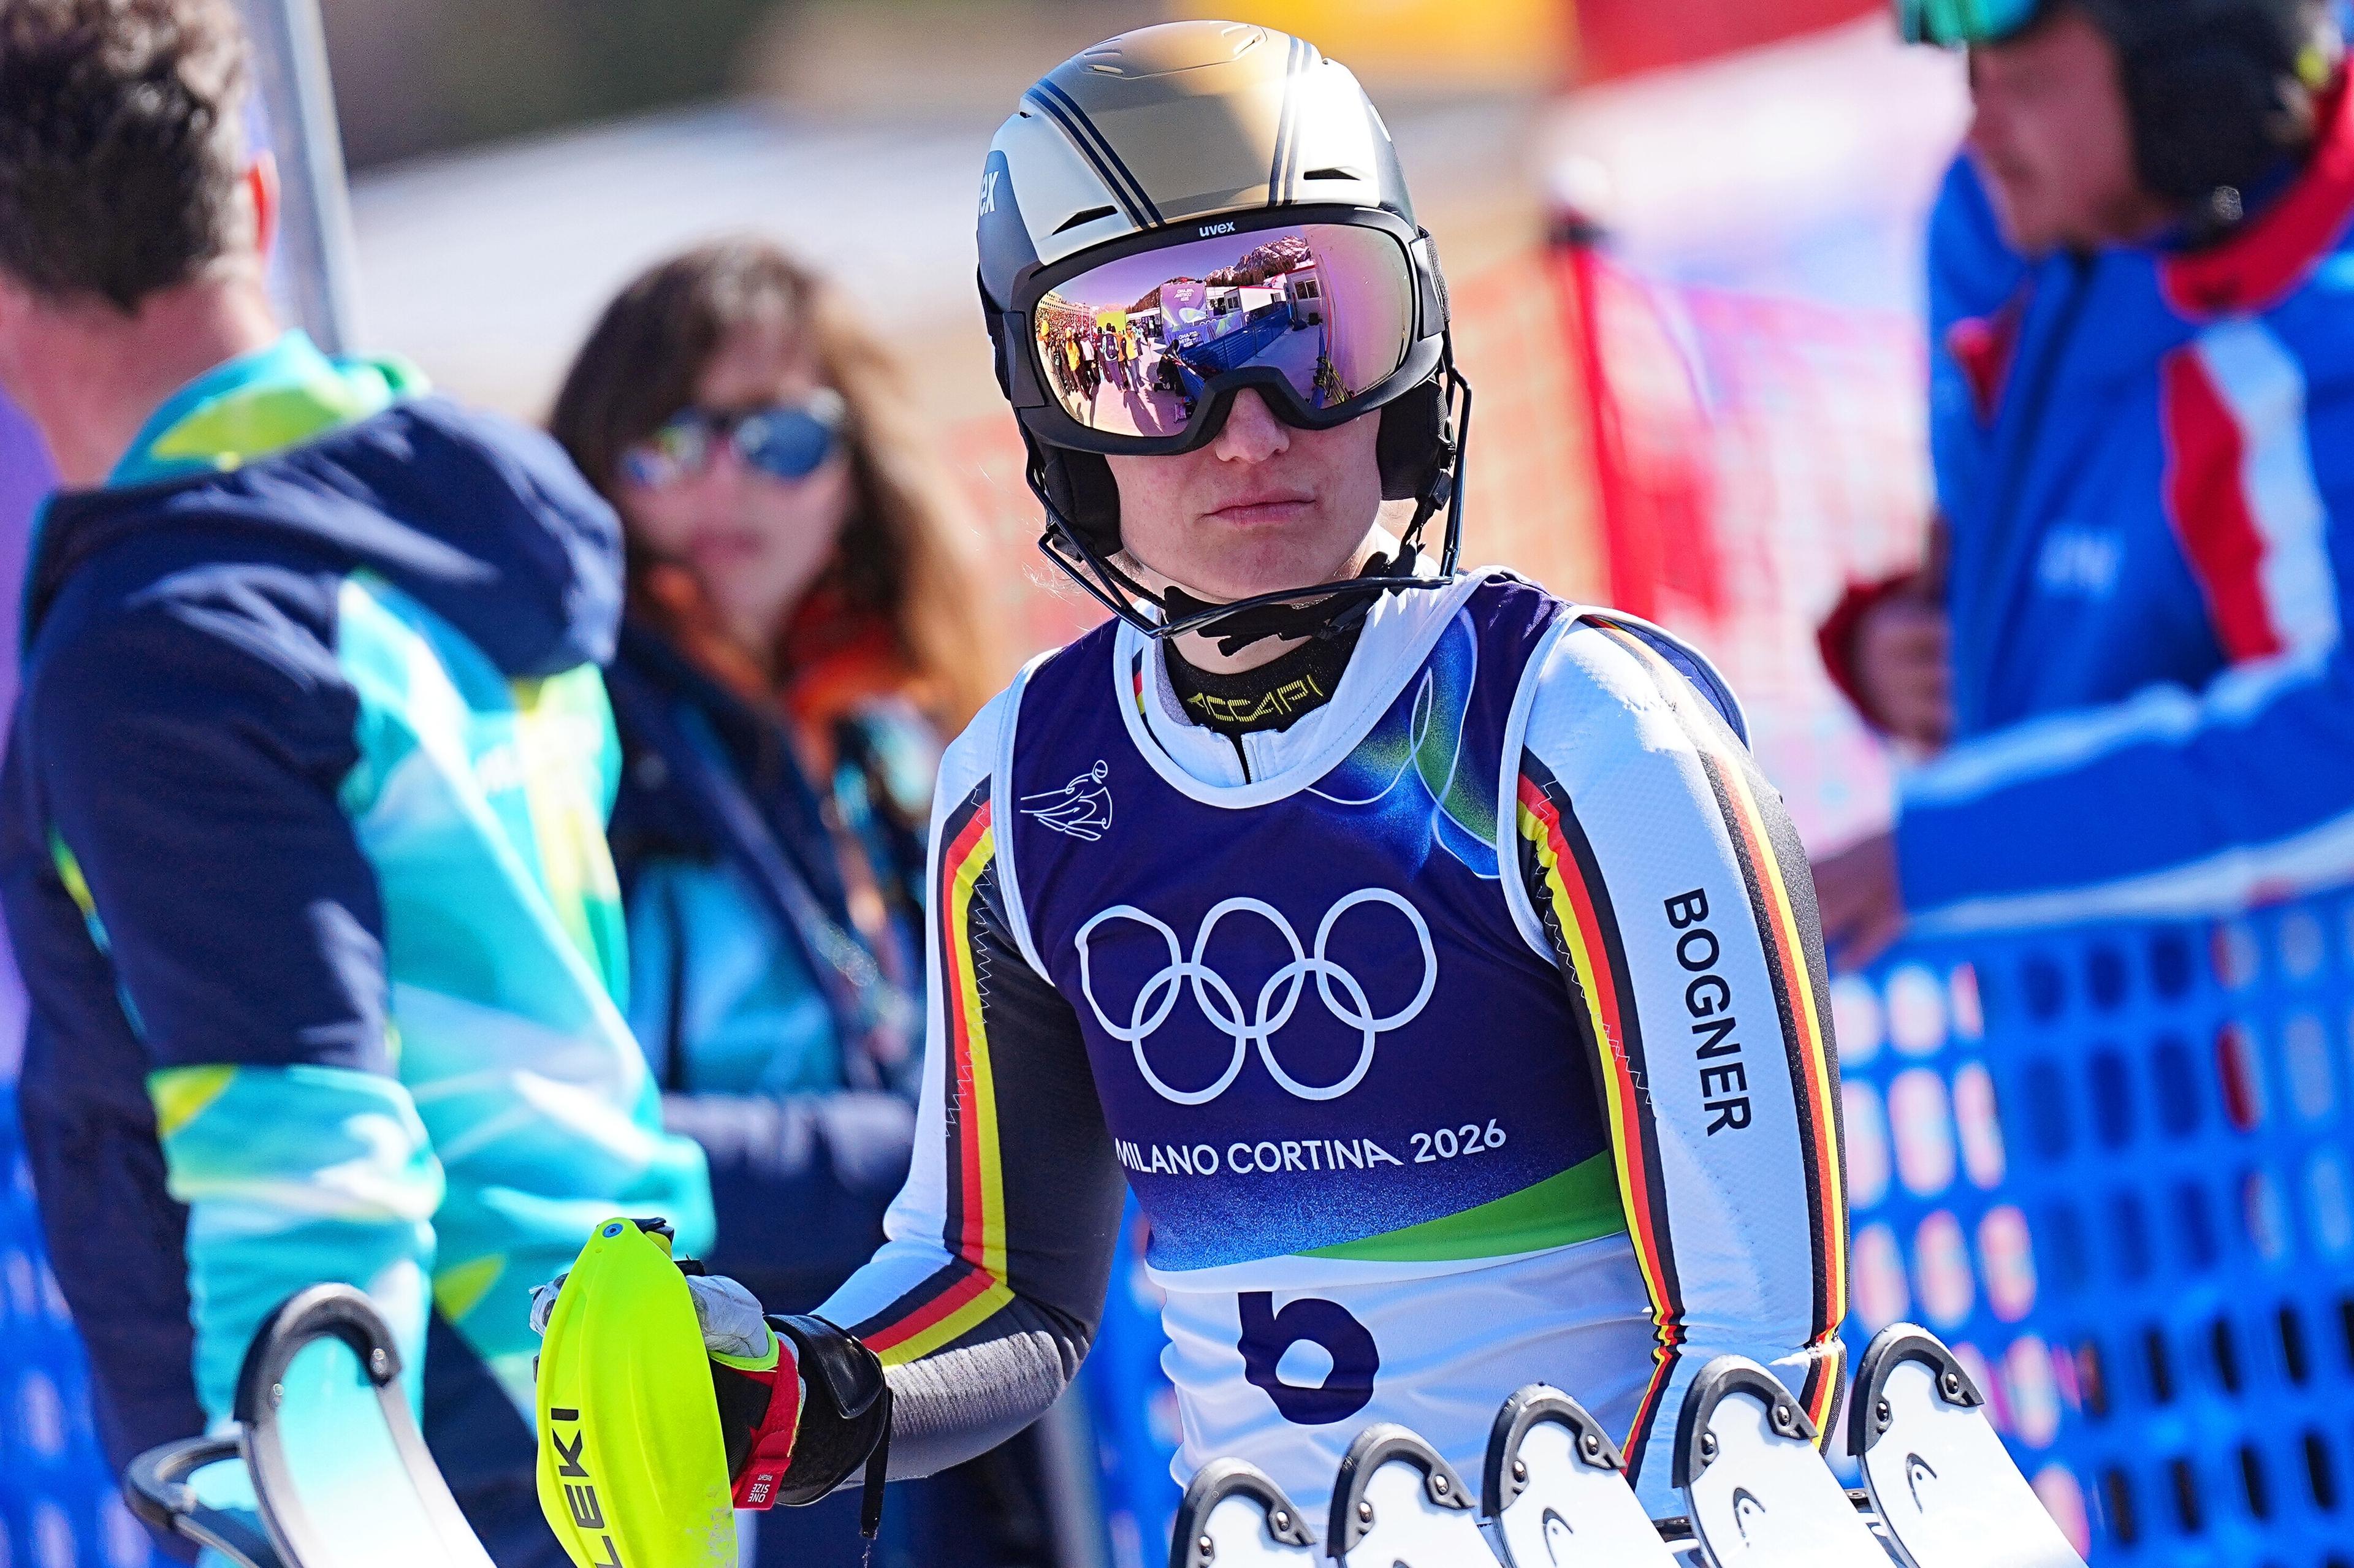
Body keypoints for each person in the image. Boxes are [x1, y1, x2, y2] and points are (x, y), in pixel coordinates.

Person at [535, 19, 1849, 1545]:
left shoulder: (1584, 737)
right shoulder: (1021, 791)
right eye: (1149, 362)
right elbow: (997, 1276)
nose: (1247, 429)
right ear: (1053, 421)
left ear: (1411, 353)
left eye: (1316, 331)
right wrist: (802, 1398)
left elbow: (1762, 1353)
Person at [0, 0, 711, 1560]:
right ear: (254, 205)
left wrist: (299, 1522)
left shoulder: (171, 640)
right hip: (623, 1379)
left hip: (434, 1464)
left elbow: (309, 1174)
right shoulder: (445, 526)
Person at [546, 242, 1049, 1568]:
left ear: (859, 464)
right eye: (667, 439)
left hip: (914, 1372)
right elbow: (569, 1130)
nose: (724, 481)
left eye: (777, 435)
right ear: (594, 468)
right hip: (695, 1399)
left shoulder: (903, 726)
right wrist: (920, 1164)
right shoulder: (563, 736)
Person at [1815, 0, 2354, 961]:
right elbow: (2010, 535)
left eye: (2024, 84)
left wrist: (1942, 854)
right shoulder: (2032, 238)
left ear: (2189, 94)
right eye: (1972, 77)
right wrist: (1912, 650)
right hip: (2080, 1057)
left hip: (2249, 1074)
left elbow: (2332, 751)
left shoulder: (2300, 355)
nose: (1978, 128)